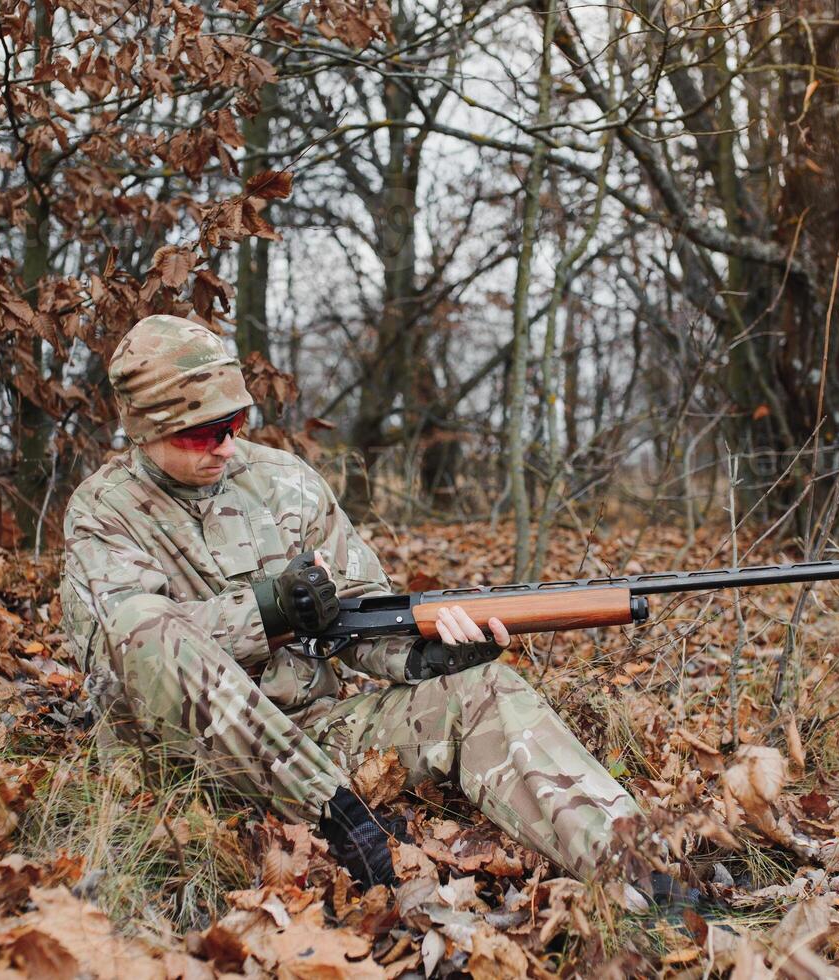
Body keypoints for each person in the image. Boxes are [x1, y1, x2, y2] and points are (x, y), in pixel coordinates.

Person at [60, 314, 690, 900]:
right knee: (142, 623)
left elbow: (361, 611)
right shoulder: (102, 512)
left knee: (485, 691)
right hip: (187, 766)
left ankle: (642, 878)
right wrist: (270, 611)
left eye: (236, 423)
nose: (225, 446)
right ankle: (346, 828)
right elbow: (126, 648)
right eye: (201, 432)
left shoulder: (283, 481)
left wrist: (425, 656)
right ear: (145, 430)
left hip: (319, 736)